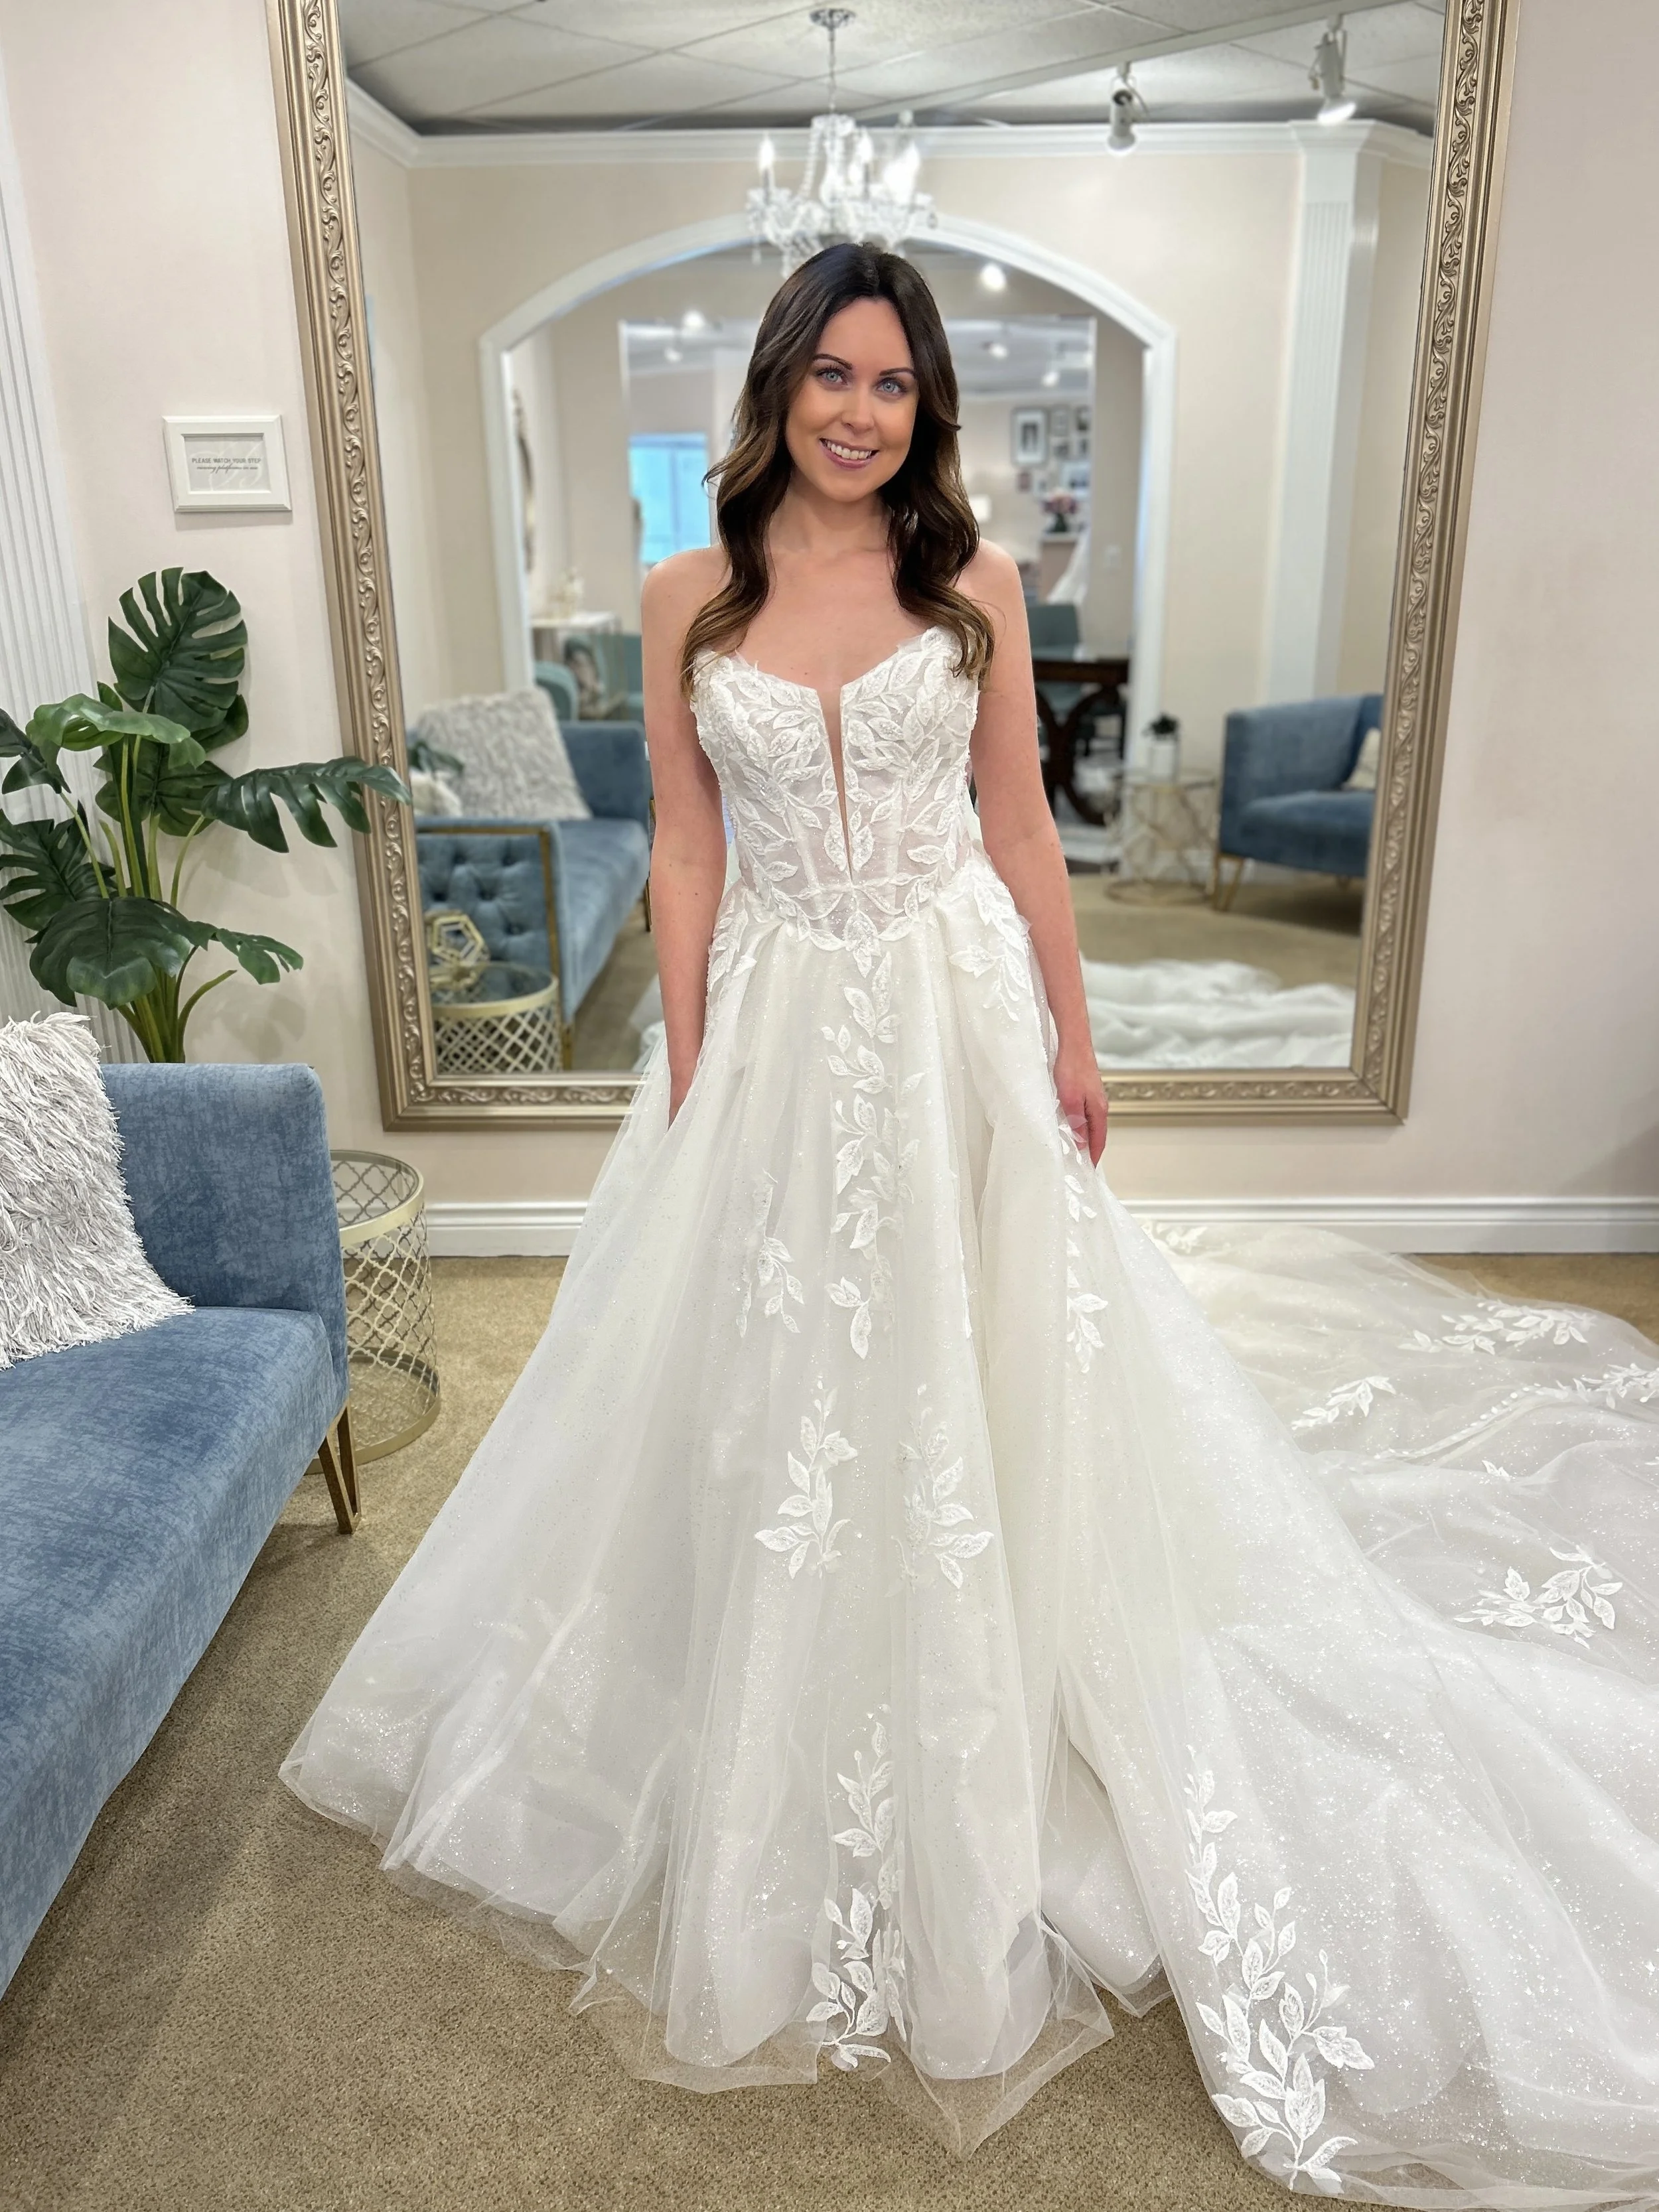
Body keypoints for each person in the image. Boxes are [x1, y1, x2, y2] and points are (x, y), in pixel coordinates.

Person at [285, 245, 1659, 2197]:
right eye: (831, 376)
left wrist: (1072, 1035)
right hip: (770, 1015)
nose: (861, 413)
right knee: (775, 1372)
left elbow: (1020, 826)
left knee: (979, 1343)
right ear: (776, 386)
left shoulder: (974, 592)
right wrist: (688, 1060)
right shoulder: (690, 597)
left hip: (945, 1013)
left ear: (925, 413)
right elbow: (685, 843)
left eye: (896, 387)